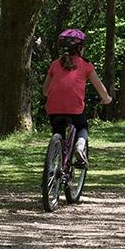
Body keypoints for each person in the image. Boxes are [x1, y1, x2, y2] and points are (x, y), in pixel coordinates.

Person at [44, 29, 112, 164]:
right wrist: (106, 99)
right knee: (82, 126)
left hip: (53, 109)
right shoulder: (86, 65)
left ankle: (56, 164)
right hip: (74, 108)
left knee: (58, 132)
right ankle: (80, 145)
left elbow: (45, 90)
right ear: (80, 48)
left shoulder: (55, 64)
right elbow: (100, 88)